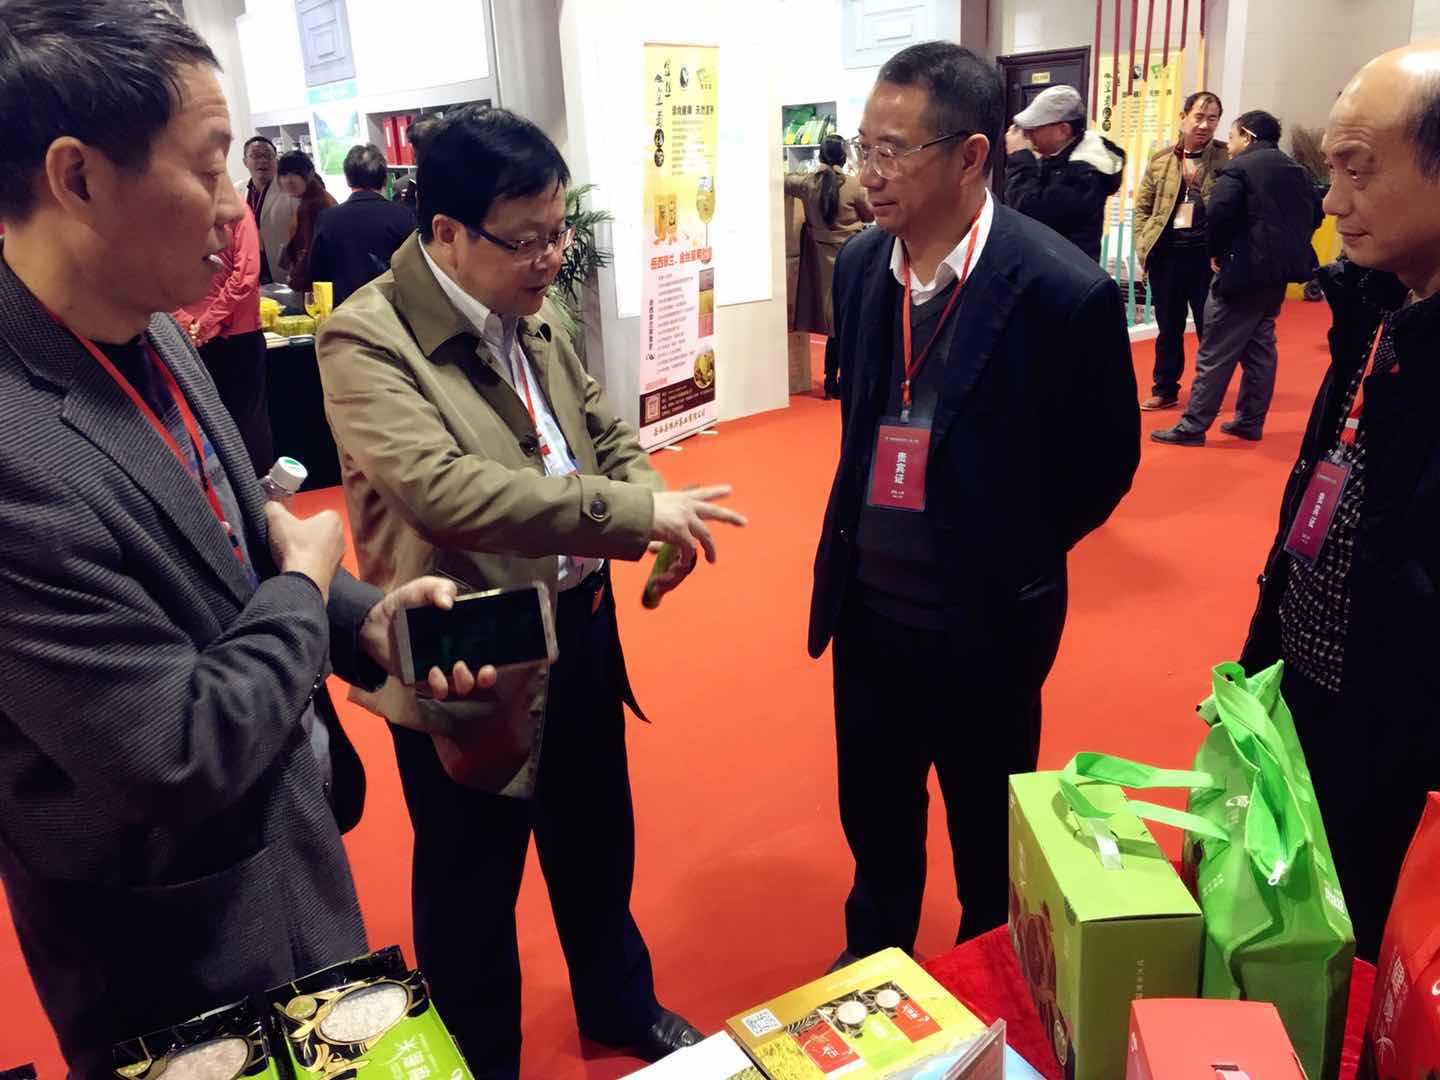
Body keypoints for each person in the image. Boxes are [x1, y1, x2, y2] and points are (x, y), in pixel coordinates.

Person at [0, 2, 493, 1072]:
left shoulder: (150, 327)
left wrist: (364, 619)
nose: (237, 206)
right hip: (172, 943)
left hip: (289, 845)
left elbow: (239, 552)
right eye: (210, 165)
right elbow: (169, 749)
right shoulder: (16, 450)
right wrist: (310, 594)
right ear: (77, 178)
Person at [316, 106, 746, 1078]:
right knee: (471, 878)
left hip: (581, 622)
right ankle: (482, 1059)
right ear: (447, 234)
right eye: (527, 239)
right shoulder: (364, 338)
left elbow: (601, 424)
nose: (551, 257)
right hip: (470, 647)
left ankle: (619, 1002)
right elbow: (444, 490)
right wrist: (631, 514)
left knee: (597, 839)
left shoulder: (530, 305)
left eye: (558, 232)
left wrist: (651, 503)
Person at [810, 42, 1139, 964]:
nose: (870, 173)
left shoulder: (1061, 291)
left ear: (971, 156)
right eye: (864, 147)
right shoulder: (861, 265)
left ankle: (982, 971)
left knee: (985, 829)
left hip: (985, 621)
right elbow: (864, 420)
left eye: (893, 151)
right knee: (875, 811)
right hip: (869, 608)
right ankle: (875, 952)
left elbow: (1104, 464)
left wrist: (1010, 543)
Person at [1237, 41, 1440, 962]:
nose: (1330, 201)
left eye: (1358, 170)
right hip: (1309, 699)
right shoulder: (1376, 304)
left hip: (1404, 748)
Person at [1153, 110, 1322, 446]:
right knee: (1260, 348)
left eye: (1231, 137)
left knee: (1215, 351)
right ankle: (1249, 421)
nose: (1228, 145)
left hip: (1241, 272)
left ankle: (1192, 426)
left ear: (1246, 136)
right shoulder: (1298, 172)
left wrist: (1216, 251)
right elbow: (1316, 214)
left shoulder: (1239, 169)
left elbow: (1218, 212)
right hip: (1277, 275)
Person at [1134, 90, 1228, 410]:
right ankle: (1165, 388)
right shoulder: (1161, 160)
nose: (1204, 125)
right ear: (1183, 117)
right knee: (1168, 327)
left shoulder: (1226, 159)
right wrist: (1143, 243)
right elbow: (1142, 208)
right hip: (1167, 256)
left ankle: (1208, 393)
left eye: (1212, 119)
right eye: (1199, 117)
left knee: (1210, 328)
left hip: (1206, 257)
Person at [172, 203, 274, 473]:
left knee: (197, 422)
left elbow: (153, 273)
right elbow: (245, 276)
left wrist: (191, 322)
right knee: (246, 423)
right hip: (234, 332)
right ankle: (257, 495)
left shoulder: (170, 206)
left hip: (187, 335)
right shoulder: (236, 209)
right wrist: (207, 322)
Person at [785, 133, 874, 398]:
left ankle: (829, 381)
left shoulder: (807, 184)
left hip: (819, 265)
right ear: (844, 157)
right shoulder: (855, 186)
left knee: (834, 327)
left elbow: (785, 180)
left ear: (821, 156)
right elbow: (869, 214)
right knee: (849, 324)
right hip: (852, 259)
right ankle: (846, 380)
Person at [1003, 83, 1126, 263]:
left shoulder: (1085, 175)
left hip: (1065, 275)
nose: (1027, 135)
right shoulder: (1060, 158)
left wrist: (1020, 157)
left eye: (1033, 128)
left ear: (1063, 130)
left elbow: (1029, 215)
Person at [307, 143, 417, 306]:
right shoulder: (402, 215)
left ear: (347, 179)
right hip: (391, 309)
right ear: (385, 178)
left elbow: (317, 273)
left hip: (345, 310)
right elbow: (414, 269)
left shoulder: (328, 219)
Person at [237, 135, 298, 285]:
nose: (263, 160)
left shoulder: (291, 189)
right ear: (245, 161)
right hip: (249, 268)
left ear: (276, 159)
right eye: (256, 156)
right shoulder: (237, 190)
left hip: (281, 269)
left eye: (268, 156)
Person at [276, 149, 337, 293]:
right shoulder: (315, 197)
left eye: (295, 173)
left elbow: (310, 250)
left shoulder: (313, 205)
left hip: (318, 284)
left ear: (310, 174)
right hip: (323, 280)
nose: (288, 180)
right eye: (284, 174)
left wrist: (295, 278)